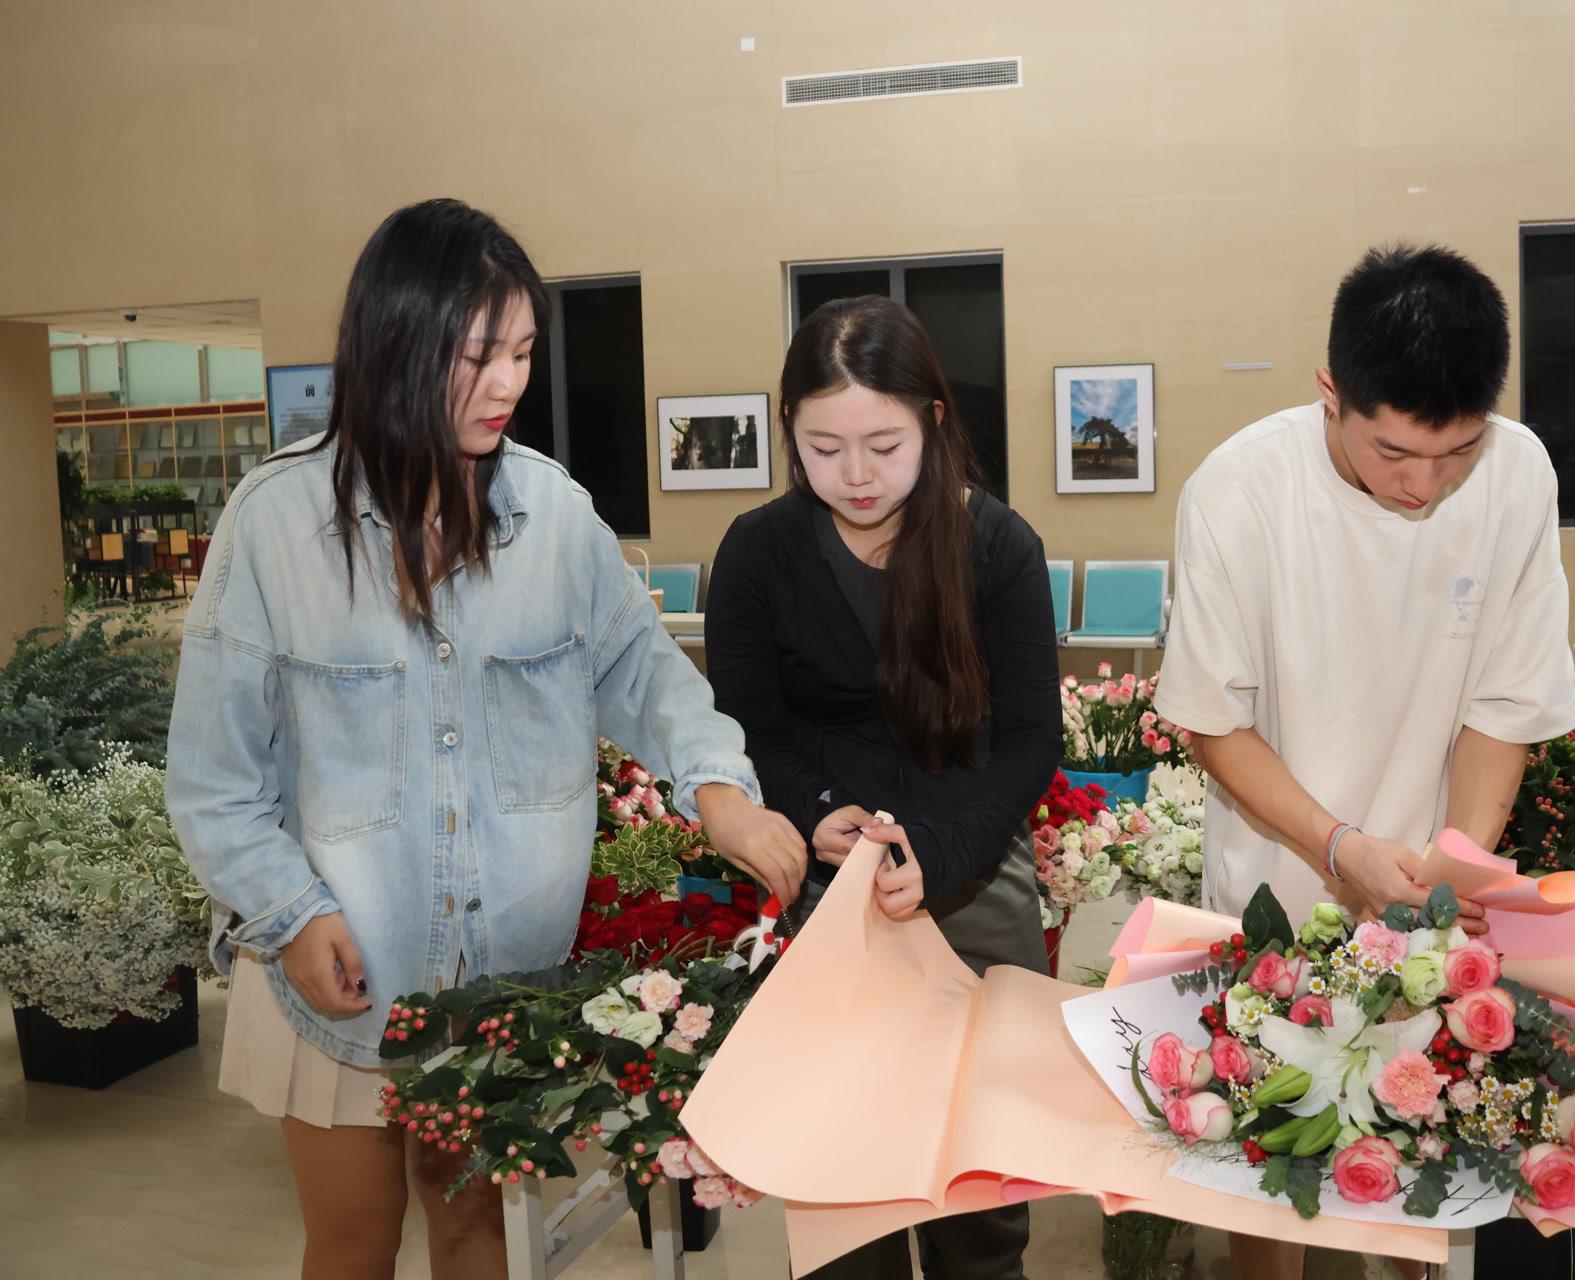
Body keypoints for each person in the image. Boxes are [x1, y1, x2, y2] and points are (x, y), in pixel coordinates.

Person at [165, 198, 805, 1280]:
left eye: (522, 351)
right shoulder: (275, 524)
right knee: (353, 1243)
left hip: (506, 973)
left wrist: (719, 790)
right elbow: (213, 780)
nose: (508, 382)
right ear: (396, 344)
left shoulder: (555, 517)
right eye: (477, 356)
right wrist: (289, 912)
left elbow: (646, 673)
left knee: (477, 1237)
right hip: (336, 962)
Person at [1153, 243, 1575, 1280]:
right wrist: (1337, 846)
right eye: (1393, 451)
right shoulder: (1239, 492)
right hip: (1277, 878)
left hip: (1429, 894)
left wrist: (1453, 870)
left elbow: (1504, 704)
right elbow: (1212, 719)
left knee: (1421, 1158)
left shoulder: (1517, 472)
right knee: (1270, 1174)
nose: (1422, 485)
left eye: (1455, 452)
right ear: (1330, 392)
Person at [704, 295, 1062, 1279]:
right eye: (824, 448)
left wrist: (941, 851)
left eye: (884, 445)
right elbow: (749, 727)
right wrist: (816, 811)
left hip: (972, 880)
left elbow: (1032, 739)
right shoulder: (759, 552)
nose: (855, 476)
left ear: (933, 422)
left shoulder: (996, 545)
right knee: (844, 1202)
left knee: (980, 1205)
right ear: (790, 431)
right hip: (828, 899)